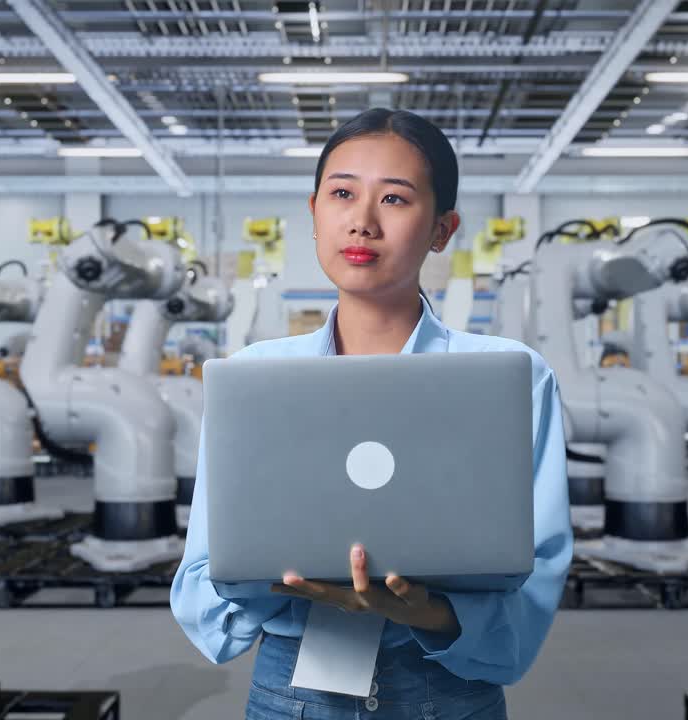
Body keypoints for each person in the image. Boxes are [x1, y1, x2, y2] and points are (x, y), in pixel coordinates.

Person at [170, 108, 573, 719]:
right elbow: (204, 579)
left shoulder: (509, 378)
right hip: (292, 693)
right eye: (341, 194)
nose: (361, 221)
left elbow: (534, 579)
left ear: (442, 228)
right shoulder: (256, 377)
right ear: (313, 214)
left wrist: (429, 613)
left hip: (447, 692)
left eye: (393, 198)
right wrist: (274, 586)